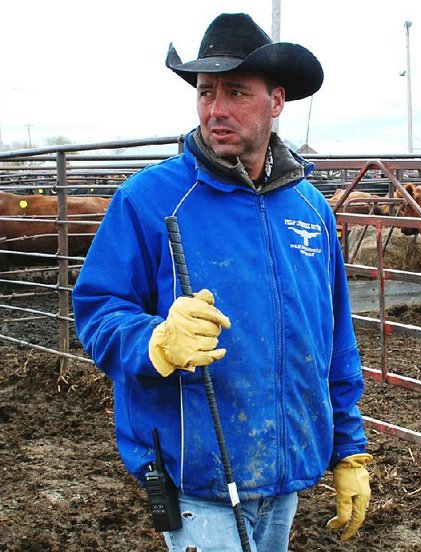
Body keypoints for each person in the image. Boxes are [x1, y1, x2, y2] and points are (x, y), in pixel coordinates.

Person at [72, 13, 371, 551]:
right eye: (206, 92)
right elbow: (98, 308)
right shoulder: (151, 199)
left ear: (277, 101)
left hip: (285, 467)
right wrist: (156, 341)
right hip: (196, 469)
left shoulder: (310, 208)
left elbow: (333, 336)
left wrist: (348, 447)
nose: (216, 110)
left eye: (236, 93)